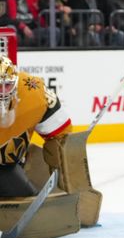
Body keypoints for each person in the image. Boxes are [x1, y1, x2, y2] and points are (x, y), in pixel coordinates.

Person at [0, 55, 71, 198]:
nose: (2, 92)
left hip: (5, 166)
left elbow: (60, 136)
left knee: (28, 204)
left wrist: (64, 176)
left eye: (7, 85)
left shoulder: (34, 94)